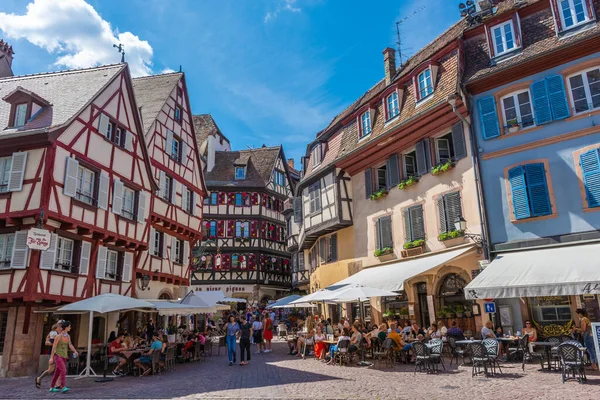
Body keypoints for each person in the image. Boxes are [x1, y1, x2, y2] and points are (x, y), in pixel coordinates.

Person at [48, 321, 78, 393]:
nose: (70, 328)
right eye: (69, 326)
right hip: (57, 355)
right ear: (66, 327)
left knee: (57, 372)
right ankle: (63, 386)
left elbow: (70, 344)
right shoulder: (58, 336)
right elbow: (54, 347)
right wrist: (51, 357)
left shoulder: (68, 336)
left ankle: (52, 387)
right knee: (63, 370)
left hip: (64, 356)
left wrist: (75, 351)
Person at [36, 321, 63, 389]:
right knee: (50, 369)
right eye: (60, 325)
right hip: (52, 353)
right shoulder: (52, 333)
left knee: (59, 368)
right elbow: (46, 342)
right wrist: (55, 344)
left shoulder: (62, 333)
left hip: (59, 353)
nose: (61, 327)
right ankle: (39, 378)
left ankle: (57, 384)